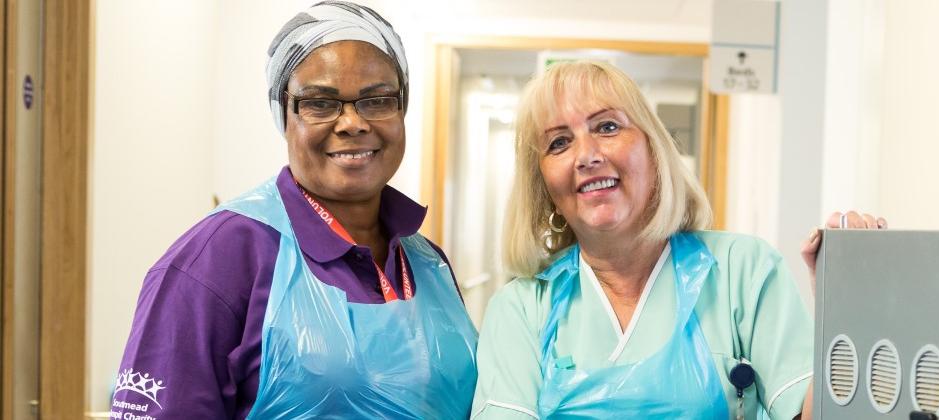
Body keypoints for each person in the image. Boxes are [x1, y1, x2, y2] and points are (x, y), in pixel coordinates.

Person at [111, 2, 476, 418]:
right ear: (284, 116)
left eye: (377, 100)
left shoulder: (428, 262)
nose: (353, 122)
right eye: (321, 102)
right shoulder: (219, 259)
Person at [471, 60, 885, 419]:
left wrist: (847, 312)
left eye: (608, 126)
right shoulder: (522, 310)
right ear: (544, 187)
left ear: (654, 152)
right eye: (559, 142)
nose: (587, 154)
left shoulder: (743, 271)